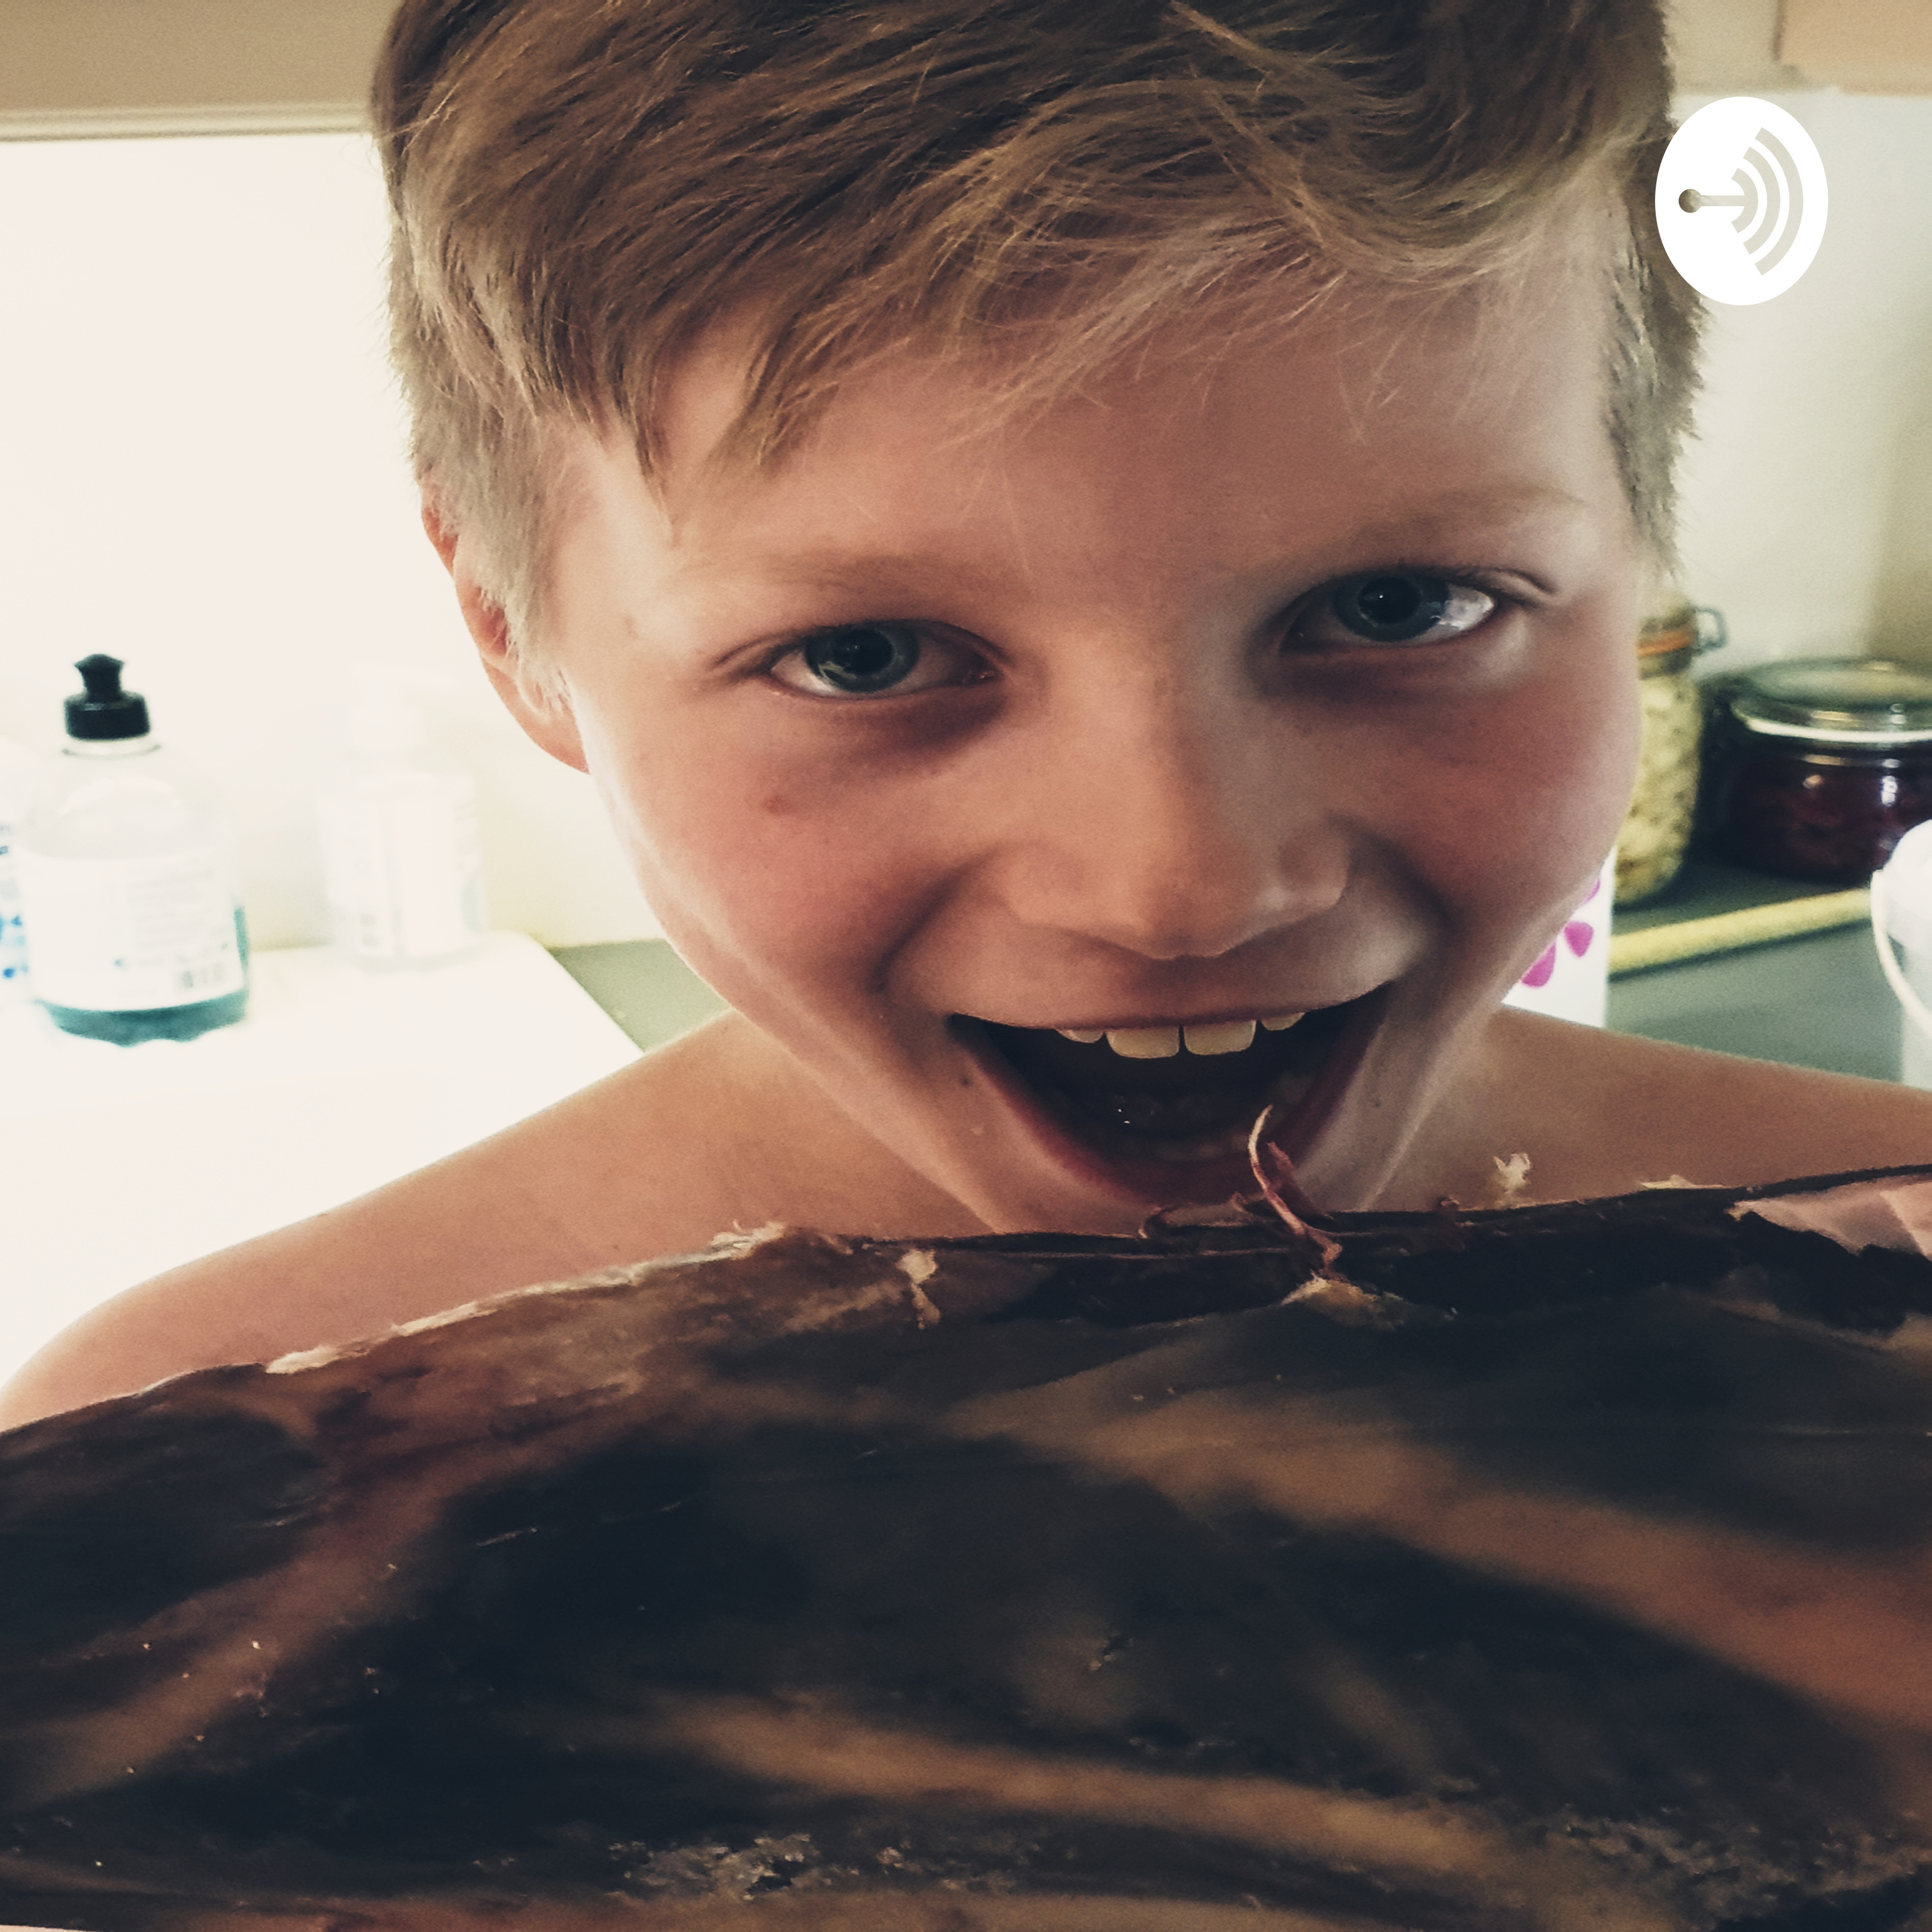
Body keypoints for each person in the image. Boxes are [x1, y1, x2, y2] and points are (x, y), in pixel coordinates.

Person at [3, 0, 1929, 1432]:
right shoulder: (186, 1488)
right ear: (510, 627)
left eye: (1400, 607)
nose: (1180, 888)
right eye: (865, 656)